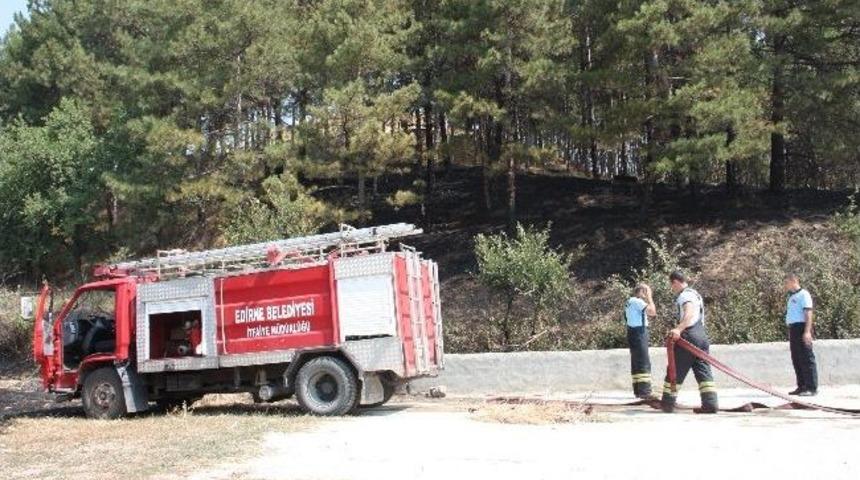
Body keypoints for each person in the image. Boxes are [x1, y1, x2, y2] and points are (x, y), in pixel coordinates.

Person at [661, 271, 719, 413]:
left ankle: (668, 403)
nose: (672, 288)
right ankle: (710, 403)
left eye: (671, 285)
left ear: (675, 282)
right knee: (703, 371)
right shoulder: (695, 294)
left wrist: (678, 329)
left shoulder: (685, 295)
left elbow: (689, 313)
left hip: (689, 336)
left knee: (675, 369)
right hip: (702, 337)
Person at [784, 273, 818, 396]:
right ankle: (802, 386)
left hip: (802, 328)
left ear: (793, 281)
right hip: (793, 329)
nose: (785, 285)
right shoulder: (792, 296)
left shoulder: (804, 294)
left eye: (787, 282)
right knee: (797, 358)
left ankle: (811, 387)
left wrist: (807, 331)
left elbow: (808, 313)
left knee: (806, 358)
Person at [624, 283, 657, 398]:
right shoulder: (637, 301)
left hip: (632, 332)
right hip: (639, 332)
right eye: (646, 291)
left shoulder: (630, 301)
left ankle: (638, 390)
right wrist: (650, 298)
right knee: (643, 361)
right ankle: (645, 391)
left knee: (636, 361)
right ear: (642, 292)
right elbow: (652, 312)